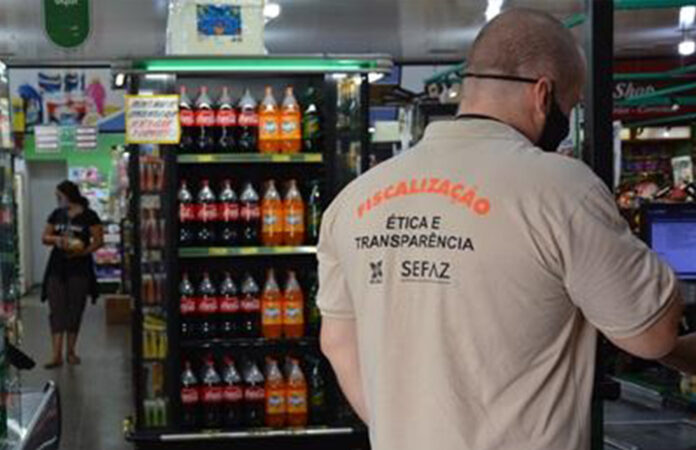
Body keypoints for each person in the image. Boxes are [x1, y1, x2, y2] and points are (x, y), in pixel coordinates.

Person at [317, 8, 696, 450]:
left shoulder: (354, 200)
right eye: (570, 106)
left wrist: (401, 429)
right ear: (543, 94)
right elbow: (653, 335)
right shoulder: (561, 189)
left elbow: (338, 343)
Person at [41, 180, 103, 369]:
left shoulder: (89, 216)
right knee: (56, 309)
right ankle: (56, 354)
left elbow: (98, 240)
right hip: (56, 267)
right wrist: (57, 239)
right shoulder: (56, 214)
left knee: (75, 309)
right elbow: (45, 237)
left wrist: (83, 252)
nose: (57, 199)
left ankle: (70, 351)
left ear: (69, 195)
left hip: (79, 267)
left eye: (59, 196)